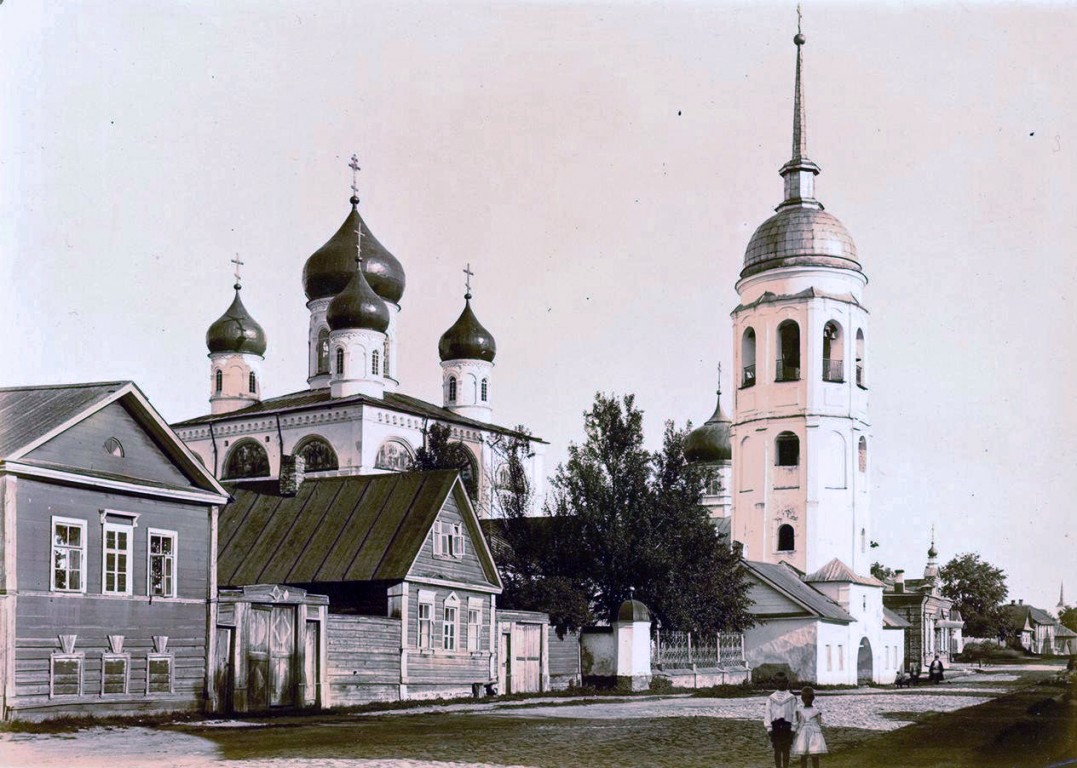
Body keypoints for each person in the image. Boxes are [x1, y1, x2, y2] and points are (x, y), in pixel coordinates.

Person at [764, 672, 797, 768]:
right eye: (779, 682)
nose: (781, 684)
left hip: (787, 726)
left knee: (786, 749)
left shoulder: (792, 698)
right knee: (777, 749)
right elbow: (768, 713)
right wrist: (769, 728)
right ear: (775, 683)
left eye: (783, 682)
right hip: (776, 726)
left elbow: (795, 713)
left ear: (787, 682)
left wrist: (794, 728)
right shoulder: (771, 698)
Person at [791, 685, 828, 768]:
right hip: (813, 733)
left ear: (801, 698)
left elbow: (796, 722)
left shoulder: (800, 710)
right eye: (807, 698)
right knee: (811, 754)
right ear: (813, 698)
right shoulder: (816, 710)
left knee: (806, 755)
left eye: (808, 698)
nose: (807, 700)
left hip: (804, 733)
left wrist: (795, 731)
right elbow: (820, 723)